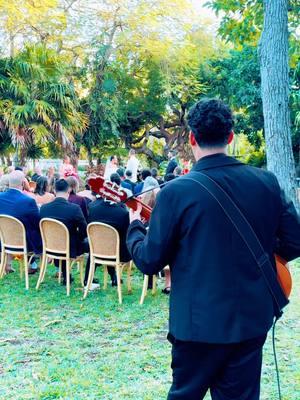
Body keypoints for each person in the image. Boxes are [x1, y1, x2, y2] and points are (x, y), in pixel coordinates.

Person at [126, 98, 300, 400]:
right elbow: (296, 240)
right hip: (250, 320)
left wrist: (134, 227)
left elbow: (150, 260)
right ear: (230, 137)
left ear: (192, 138)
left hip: (196, 325)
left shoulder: (176, 192)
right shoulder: (266, 182)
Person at [40, 179, 93, 287]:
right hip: (70, 247)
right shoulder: (74, 209)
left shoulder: (44, 208)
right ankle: (89, 278)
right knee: (91, 245)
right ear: (69, 190)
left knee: (70, 239)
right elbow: (85, 229)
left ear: (54, 190)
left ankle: (65, 273)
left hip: (49, 246)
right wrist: (80, 237)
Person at [0, 170, 42, 273]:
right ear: (23, 183)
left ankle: (7, 265)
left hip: (3, 239)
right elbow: (37, 223)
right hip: (23, 242)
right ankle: (33, 264)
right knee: (37, 231)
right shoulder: (28, 201)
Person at [86, 194, 131, 287]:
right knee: (112, 243)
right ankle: (114, 277)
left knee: (104, 242)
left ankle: (87, 279)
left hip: (96, 250)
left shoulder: (92, 208)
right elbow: (126, 235)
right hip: (118, 253)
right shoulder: (123, 213)